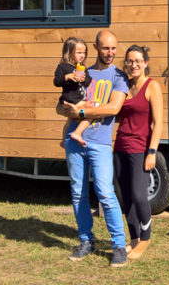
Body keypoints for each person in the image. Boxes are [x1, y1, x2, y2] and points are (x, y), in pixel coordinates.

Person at [57, 29, 129, 268]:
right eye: (106, 48)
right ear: (97, 48)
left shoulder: (119, 76)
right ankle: (85, 240)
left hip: (99, 142)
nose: (111, 53)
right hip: (74, 140)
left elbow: (113, 108)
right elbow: (61, 106)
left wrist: (79, 112)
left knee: (106, 193)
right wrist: (68, 112)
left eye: (114, 48)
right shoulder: (81, 72)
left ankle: (119, 245)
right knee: (78, 192)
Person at [114, 44, 163, 261]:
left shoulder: (152, 86)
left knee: (138, 194)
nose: (134, 65)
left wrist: (152, 151)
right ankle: (133, 238)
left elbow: (158, 122)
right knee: (125, 196)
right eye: (130, 61)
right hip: (120, 147)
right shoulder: (124, 85)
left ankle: (145, 238)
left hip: (140, 149)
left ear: (145, 63)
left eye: (138, 61)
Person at [53, 37, 93, 147]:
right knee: (92, 112)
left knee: (70, 120)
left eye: (84, 53)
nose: (82, 55)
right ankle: (77, 133)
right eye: (79, 52)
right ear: (69, 52)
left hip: (78, 100)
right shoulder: (63, 67)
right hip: (70, 100)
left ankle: (63, 140)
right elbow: (56, 81)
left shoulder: (83, 67)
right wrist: (67, 77)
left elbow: (88, 82)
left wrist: (84, 79)